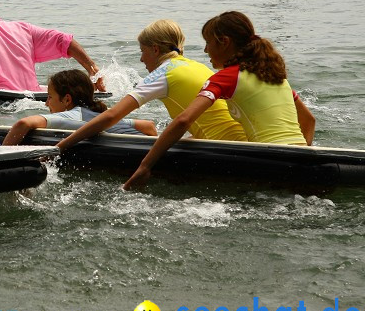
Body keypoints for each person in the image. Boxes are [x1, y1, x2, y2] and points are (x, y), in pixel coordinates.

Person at [124, 11, 316, 190]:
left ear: (224, 42)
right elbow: (309, 121)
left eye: (208, 42)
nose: (206, 50)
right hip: (302, 159)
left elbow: (184, 120)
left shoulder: (226, 77)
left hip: (269, 163)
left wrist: (145, 165)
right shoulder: (274, 75)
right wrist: (302, 160)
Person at [57, 19, 247, 153]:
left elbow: (112, 116)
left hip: (223, 148)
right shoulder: (197, 65)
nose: (141, 58)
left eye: (143, 51)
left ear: (155, 49)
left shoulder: (164, 72)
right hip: (243, 141)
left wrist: (61, 146)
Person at [3, 69, 156, 145]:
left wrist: (5, 159)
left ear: (67, 99)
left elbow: (23, 124)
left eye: (50, 97)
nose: (46, 103)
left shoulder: (71, 115)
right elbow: (148, 126)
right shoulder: (103, 115)